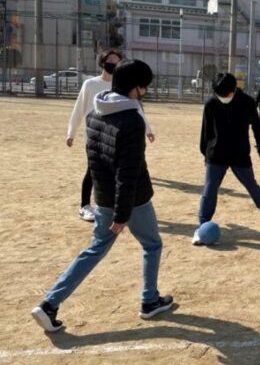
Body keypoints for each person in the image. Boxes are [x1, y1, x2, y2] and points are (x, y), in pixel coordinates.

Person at [31, 59, 173, 333]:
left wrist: (104, 201)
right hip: (132, 199)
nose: (145, 91)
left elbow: (94, 162)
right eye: (144, 86)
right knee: (152, 244)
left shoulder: (96, 111)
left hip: (105, 196)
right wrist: (121, 215)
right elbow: (128, 172)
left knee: (95, 249)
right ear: (135, 87)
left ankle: (49, 303)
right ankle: (149, 301)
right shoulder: (132, 119)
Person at [66, 49, 155, 222]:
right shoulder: (90, 84)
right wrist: (71, 132)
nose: (113, 64)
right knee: (92, 171)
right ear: (103, 62)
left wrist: (148, 129)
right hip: (96, 135)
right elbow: (79, 109)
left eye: (117, 61)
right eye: (110, 60)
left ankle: (115, 211)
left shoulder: (124, 85)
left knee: (116, 175)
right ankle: (85, 205)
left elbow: (137, 109)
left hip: (117, 136)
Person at [195, 72, 260, 244]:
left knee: (251, 185)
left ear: (233, 90)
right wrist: (205, 154)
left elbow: (256, 126)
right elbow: (206, 131)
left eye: (225, 94)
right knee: (209, 189)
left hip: (239, 153)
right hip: (216, 154)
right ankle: (202, 227)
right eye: (218, 94)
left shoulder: (247, 102)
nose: (222, 97)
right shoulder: (211, 104)